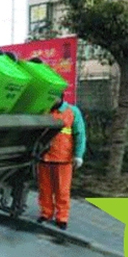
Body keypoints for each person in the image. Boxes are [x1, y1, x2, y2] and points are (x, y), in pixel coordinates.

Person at [37, 94, 87, 230]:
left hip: (63, 159)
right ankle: (46, 213)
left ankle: (62, 217)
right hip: (45, 157)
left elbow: (80, 134)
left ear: (60, 98)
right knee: (45, 189)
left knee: (62, 191)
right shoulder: (45, 110)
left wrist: (79, 155)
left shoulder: (72, 112)